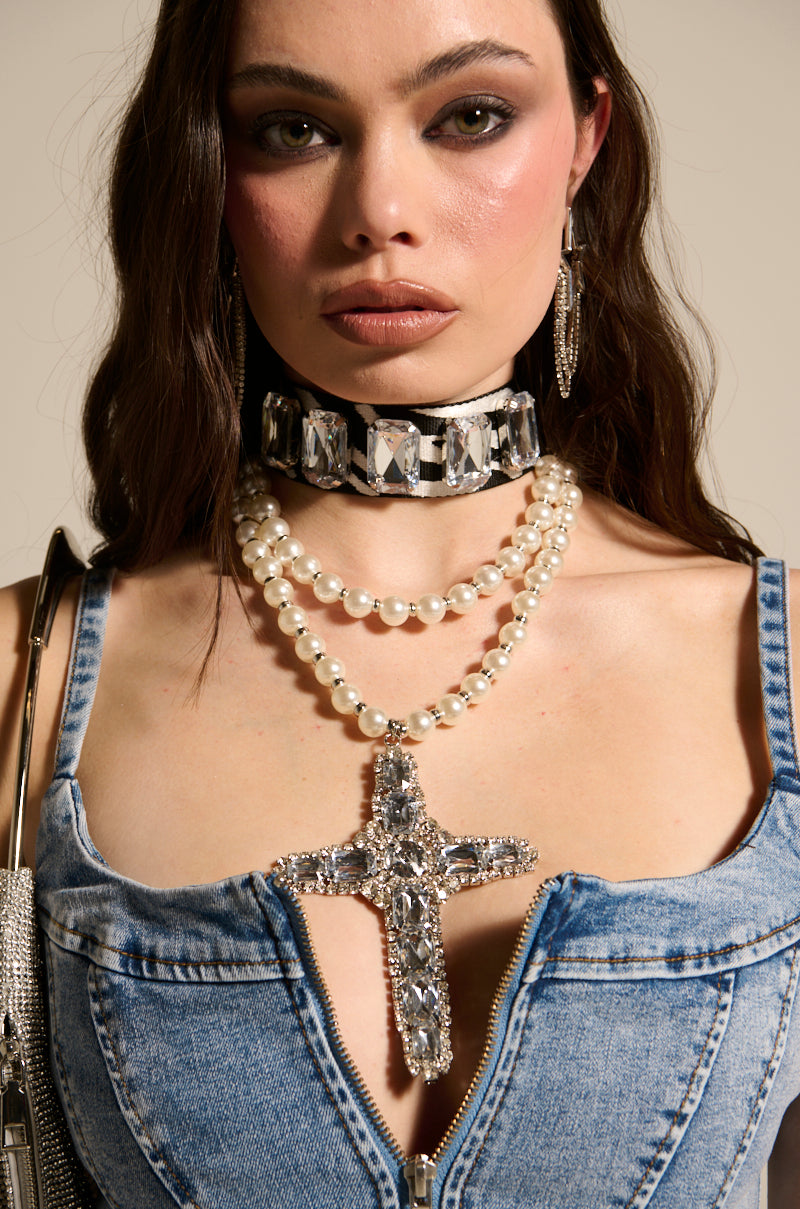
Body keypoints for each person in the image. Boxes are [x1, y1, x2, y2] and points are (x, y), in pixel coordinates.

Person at [1, 0, 798, 1204]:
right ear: (208, 168)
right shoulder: (31, 676)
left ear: (585, 142)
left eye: (469, 116)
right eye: (293, 129)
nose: (379, 211)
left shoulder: (767, 666)